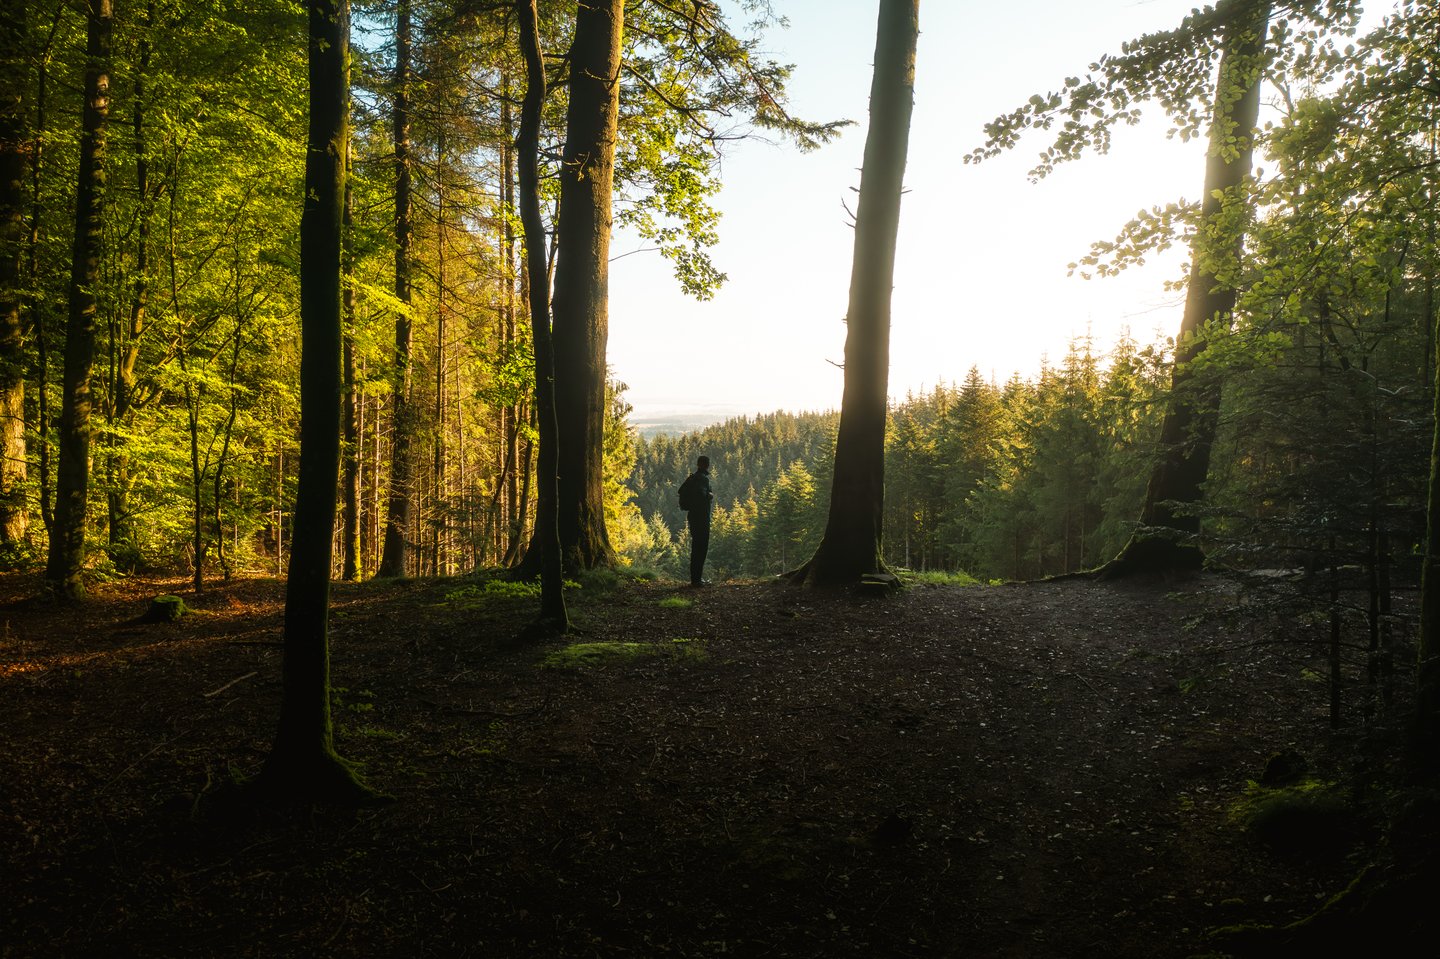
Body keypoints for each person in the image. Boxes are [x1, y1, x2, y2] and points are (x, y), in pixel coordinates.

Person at [680, 455, 714, 586]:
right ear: (707, 465)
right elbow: (702, 494)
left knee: (696, 547)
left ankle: (695, 578)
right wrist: (709, 495)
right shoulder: (703, 479)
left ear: (698, 464)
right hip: (702, 518)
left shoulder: (692, 478)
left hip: (693, 516)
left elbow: (681, 490)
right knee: (701, 548)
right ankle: (697, 580)